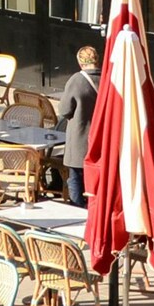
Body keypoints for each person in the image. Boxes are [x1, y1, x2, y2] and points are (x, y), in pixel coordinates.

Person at [56, 45, 101, 206]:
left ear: (80, 62)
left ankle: (77, 211)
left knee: (75, 178)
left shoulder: (77, 80)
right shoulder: (109, 79)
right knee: (96, 181)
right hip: (101, 141)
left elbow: (64, 110)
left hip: (79, 139)